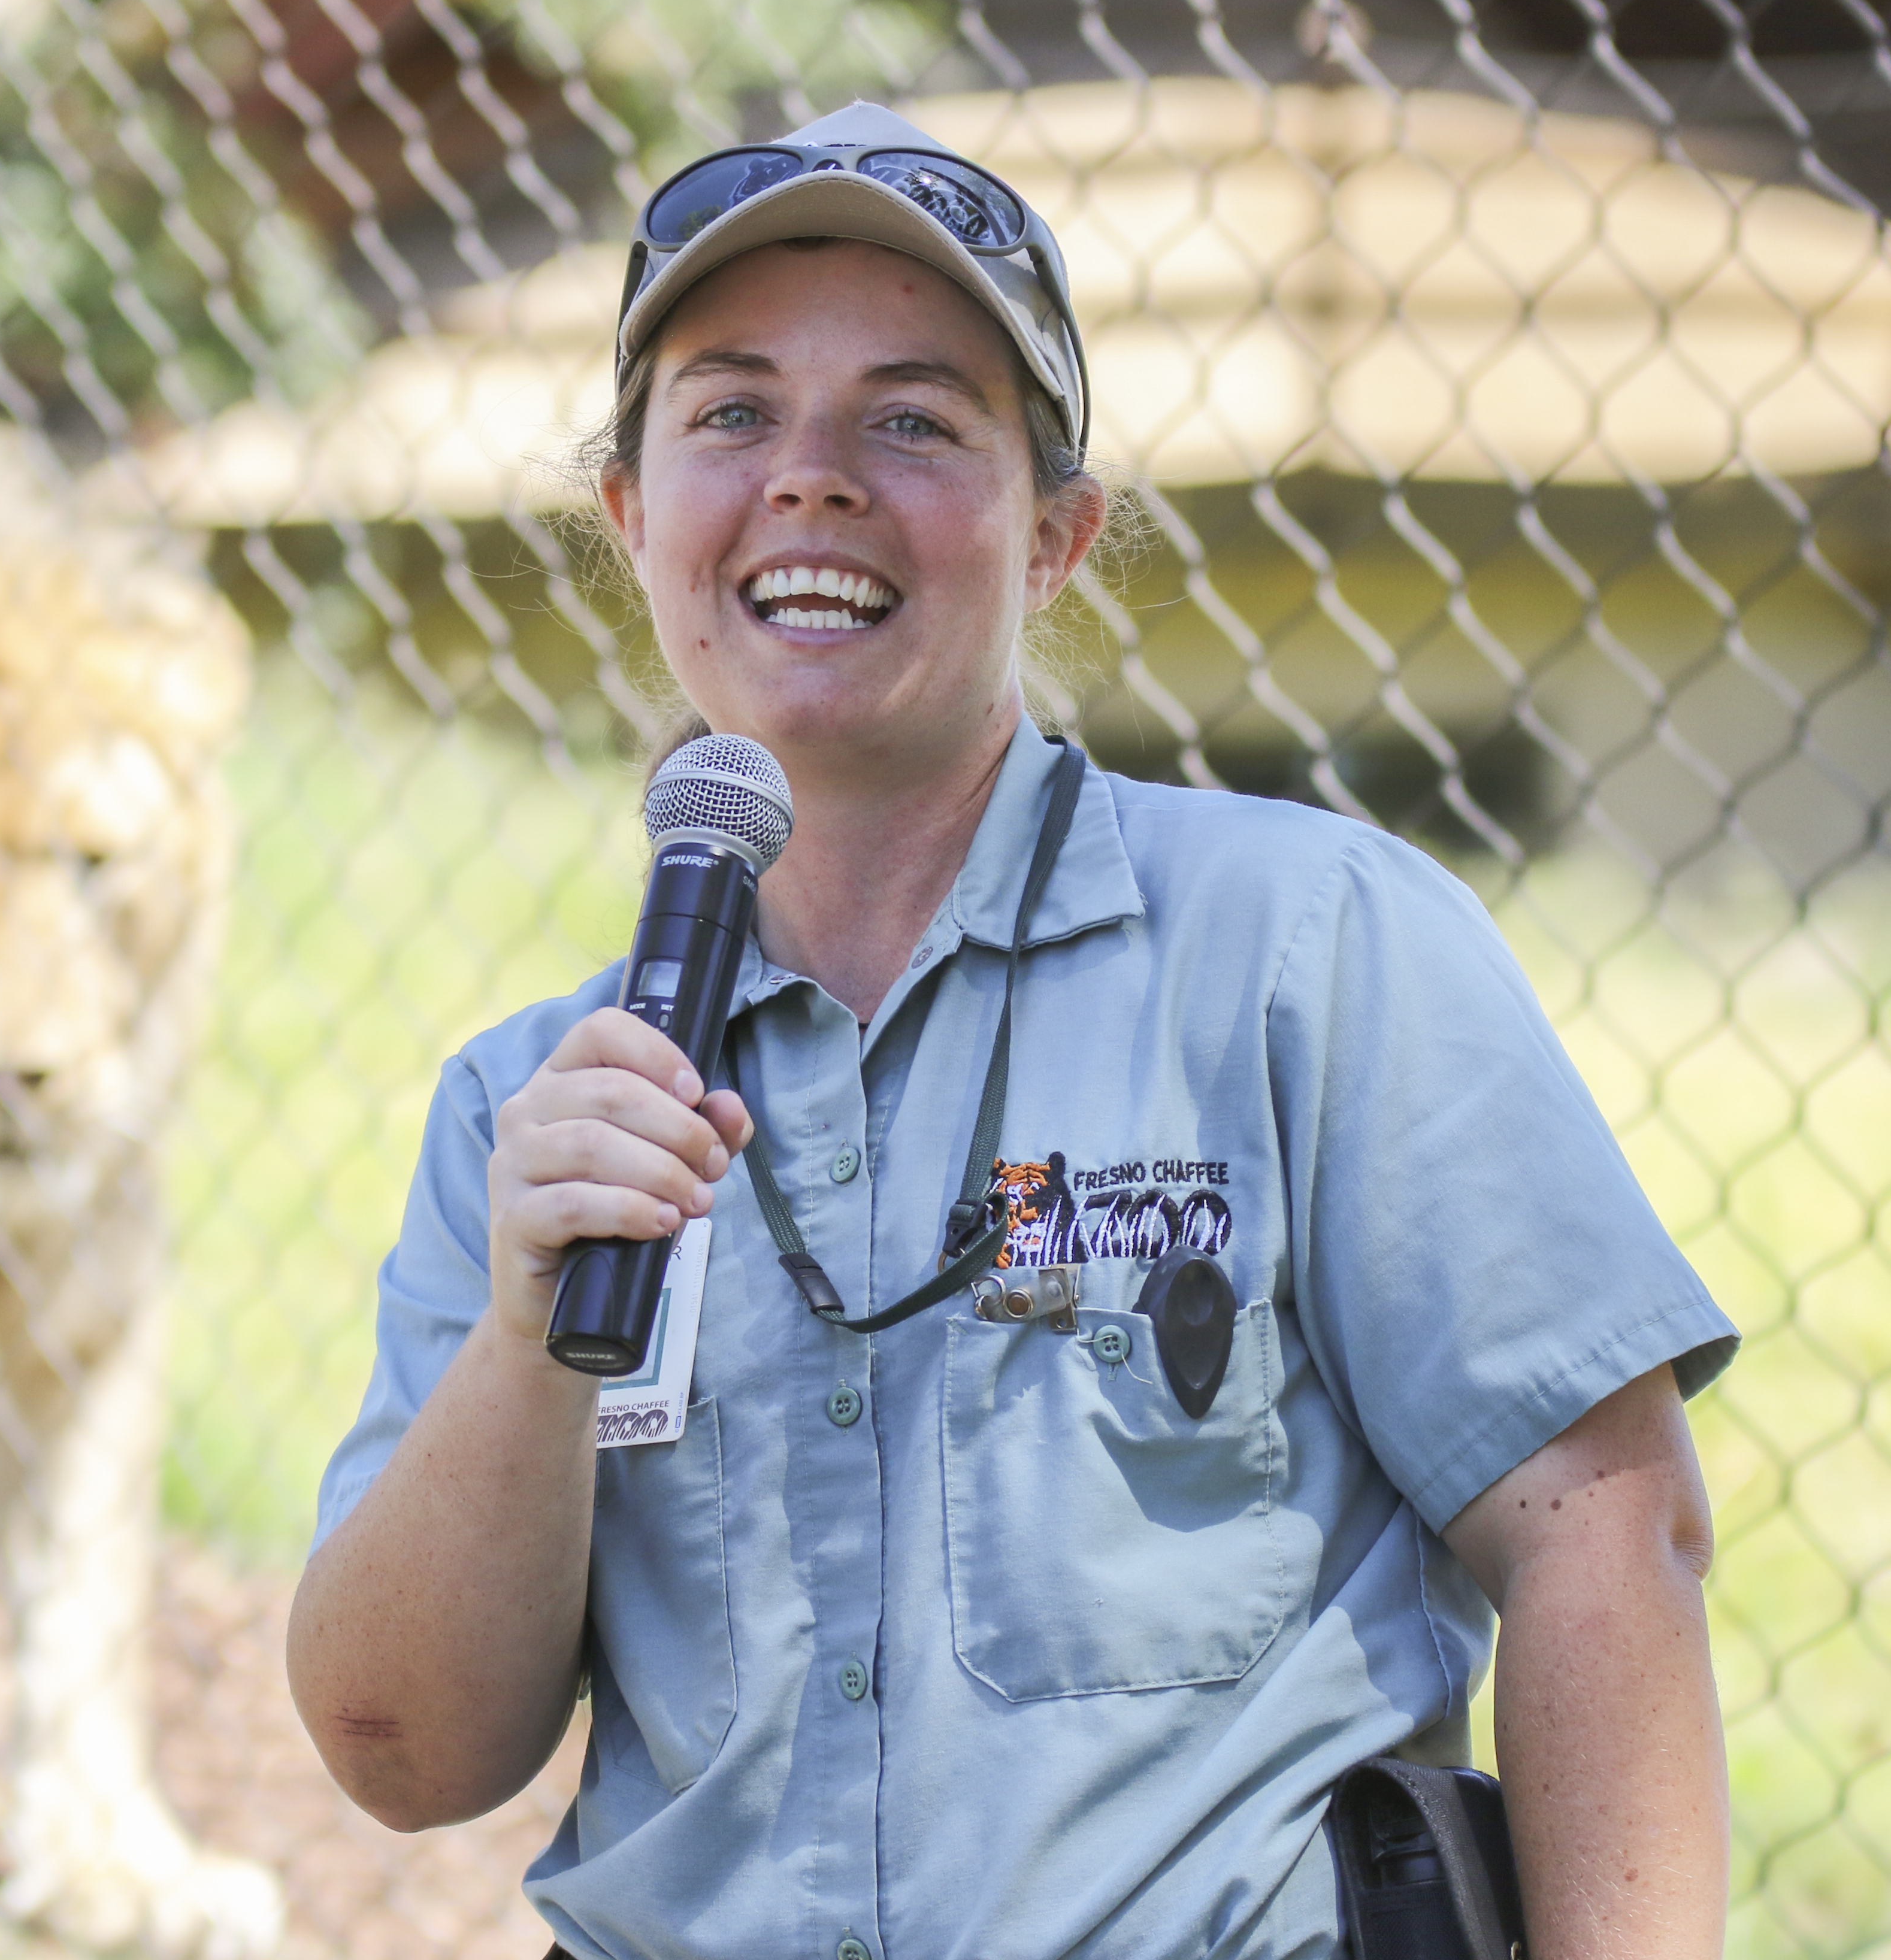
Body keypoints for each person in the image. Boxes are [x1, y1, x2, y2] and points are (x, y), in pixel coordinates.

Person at [285, 101, 1737, 1960]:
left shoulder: (1308, 951)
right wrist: (525, 1339)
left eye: (913, 417)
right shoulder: (534, 1106)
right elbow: (402, 1755)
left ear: (1058, 536)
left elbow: (1605, 1536)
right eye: (732, 411)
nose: (812, 477)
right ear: (634, 518)